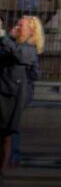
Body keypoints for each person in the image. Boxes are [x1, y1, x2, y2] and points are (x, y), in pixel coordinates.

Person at [1, 15, 43, 176]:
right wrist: (8, 38)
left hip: (13, 96)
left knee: (7, 133)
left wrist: (4, 37)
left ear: (31, 30)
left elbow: (19, 55)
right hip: (4, 90)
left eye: (21, 26)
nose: (17, 27)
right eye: (17, 24)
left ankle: (7, 163)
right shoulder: (12, 44)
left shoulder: (29, 48)